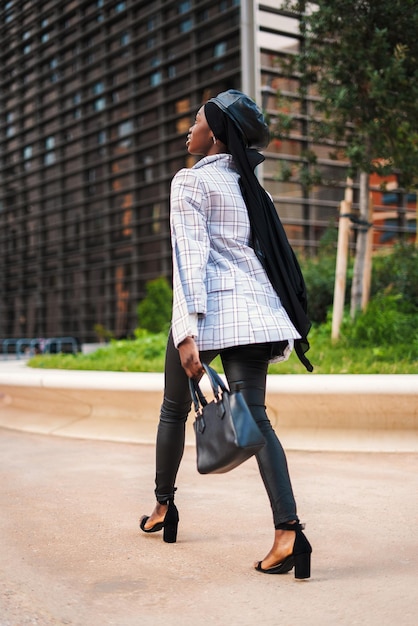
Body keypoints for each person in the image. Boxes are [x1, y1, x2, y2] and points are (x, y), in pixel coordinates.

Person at [140, 90, 313, 579]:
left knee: (174, 409)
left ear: (214, 133)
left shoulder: (190, 183)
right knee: (255, 420)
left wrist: (186, 332)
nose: (187, 131)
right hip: (258, 317)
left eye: (194, 121)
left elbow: (188, 260)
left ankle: (163, 507)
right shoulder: (255, 189)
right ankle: (289, 532)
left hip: (213, 314)